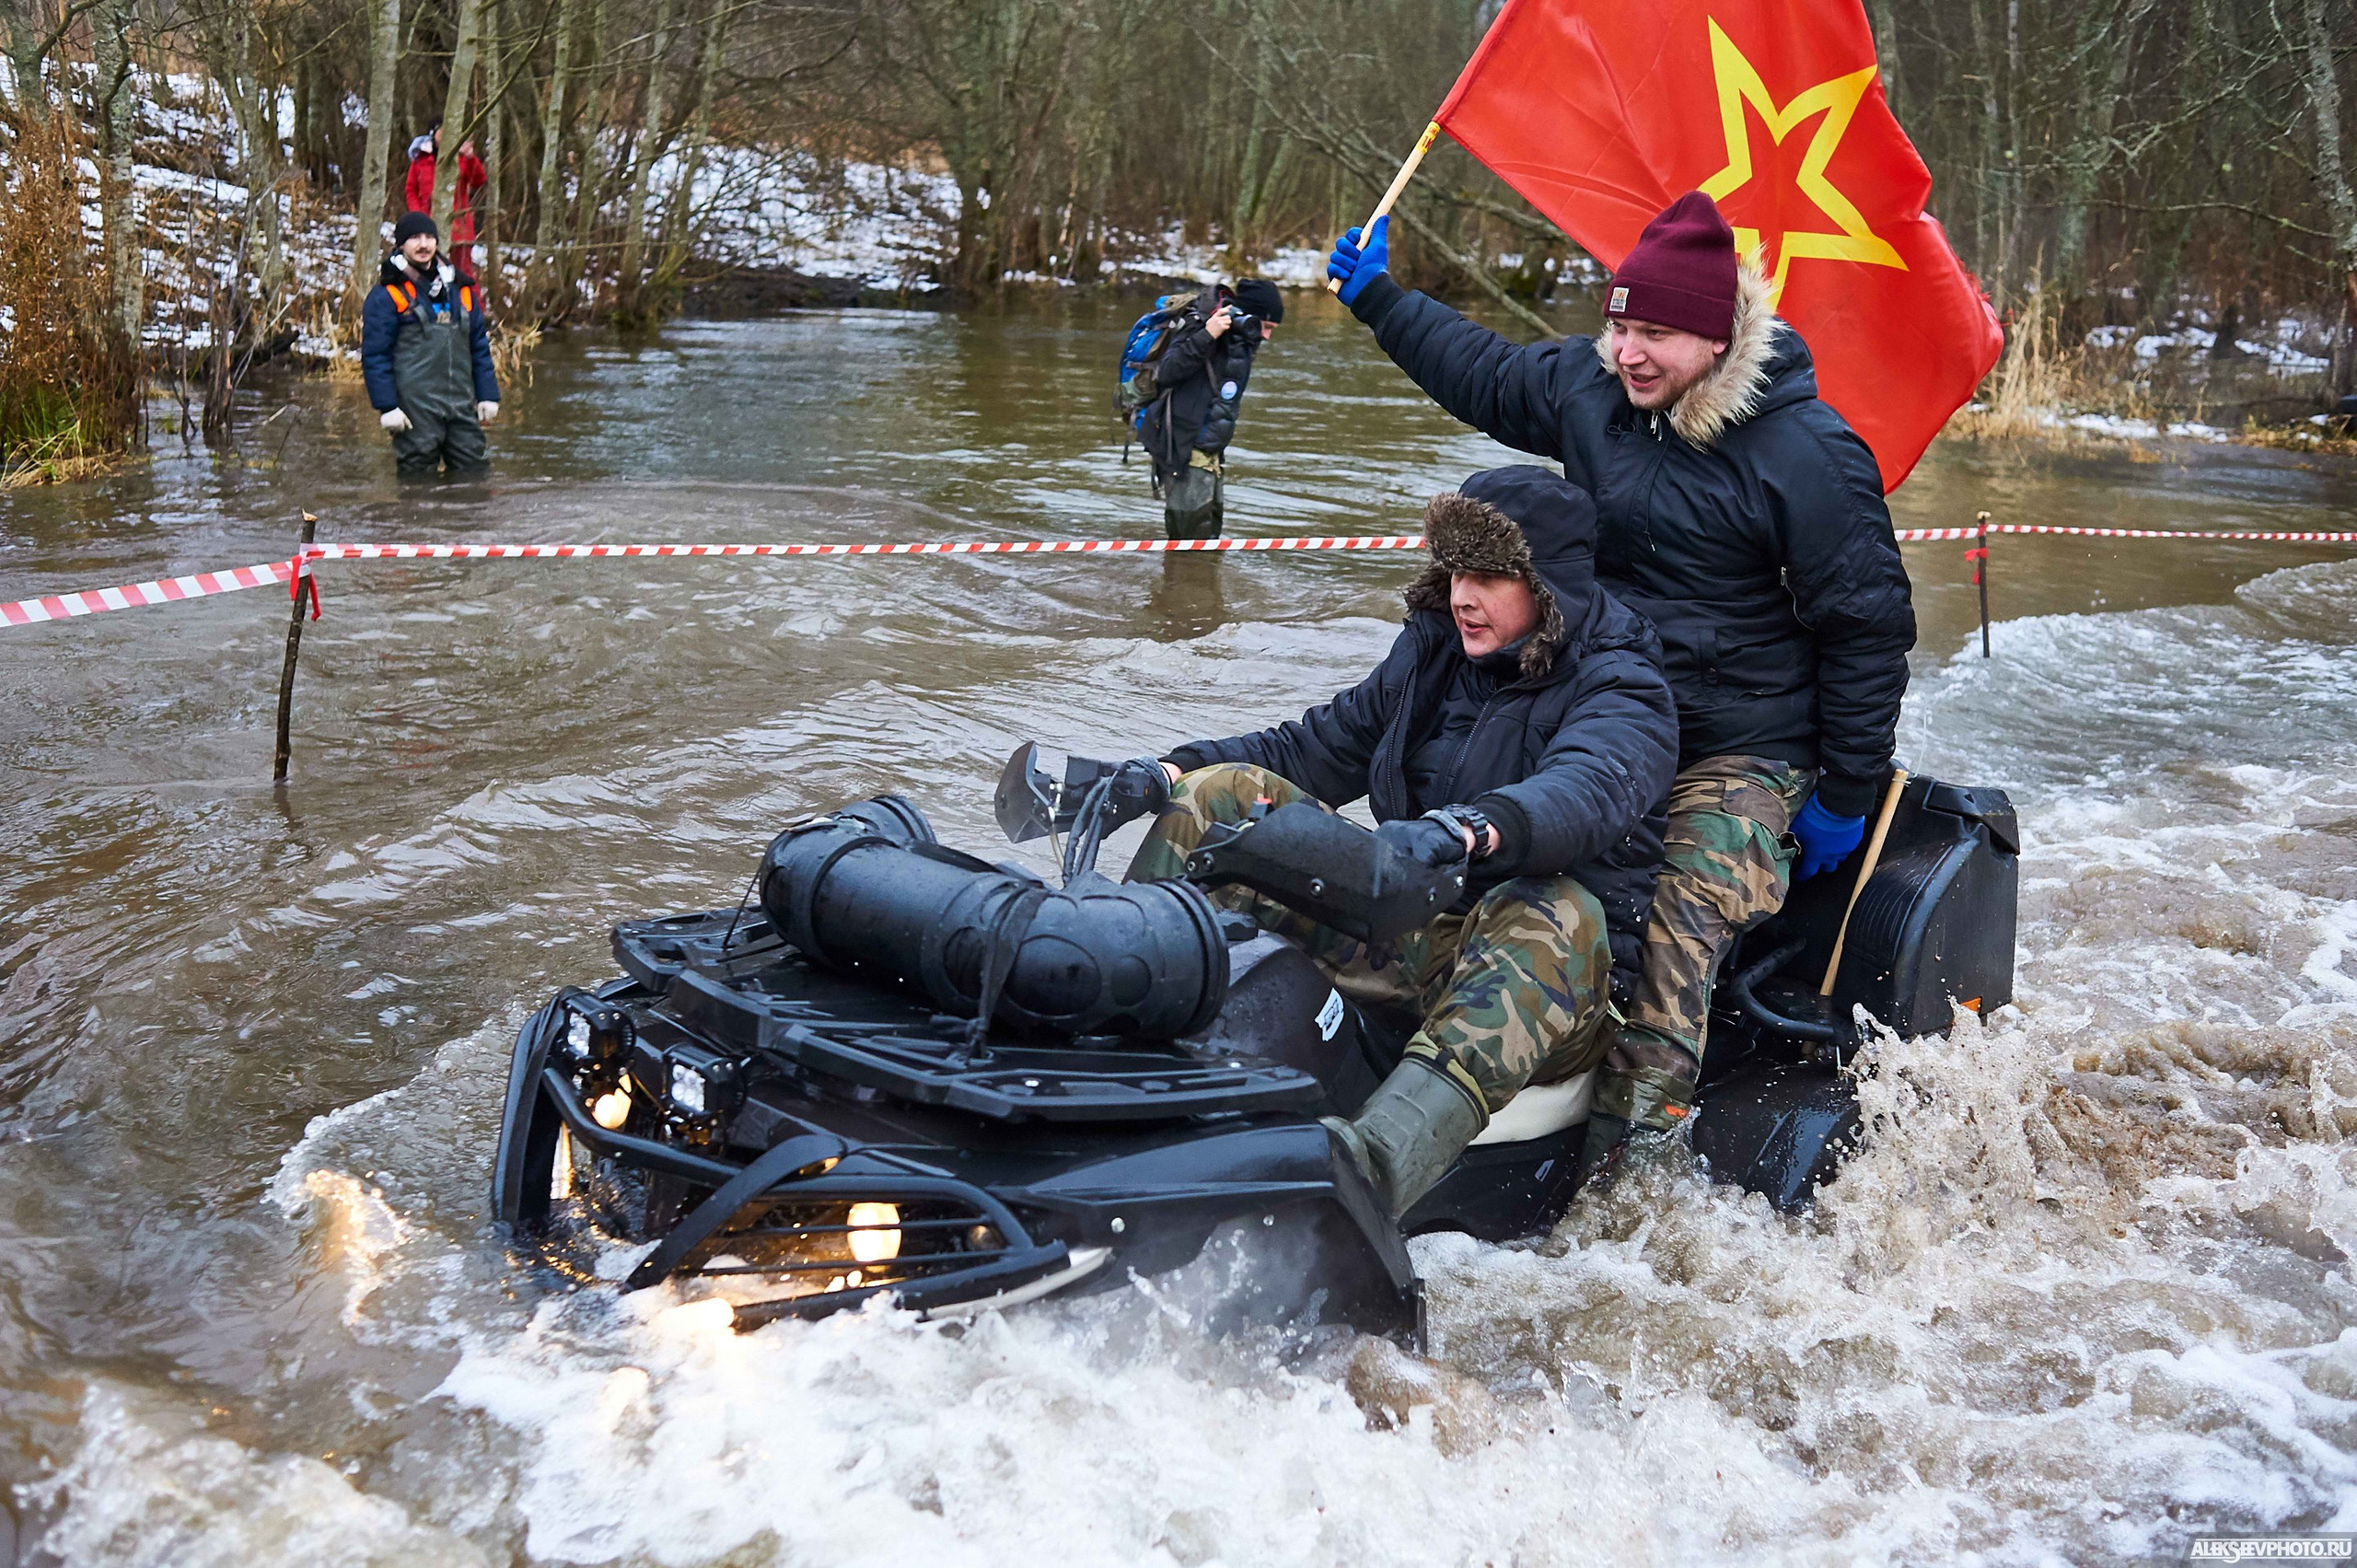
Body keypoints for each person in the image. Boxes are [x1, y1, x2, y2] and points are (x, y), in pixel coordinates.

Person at [1326, 192, 1917, 1178]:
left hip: (1738, 740)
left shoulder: (1807, 455)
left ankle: (1632, 1162)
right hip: (1597, 705)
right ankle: (1441, 1049)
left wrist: (1847, 791)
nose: (1630, 352)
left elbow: (1867, 630)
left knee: (1675, 900)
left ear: (1721, 338)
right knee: (1473, 822)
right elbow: (1481, 371)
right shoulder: (1591, 389)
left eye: (1657, 334)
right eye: (1619, 325)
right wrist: (1383, 298)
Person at [1125, 466, 1678, 1215]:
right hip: (1413, 925)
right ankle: (1113, 1029)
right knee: (1220, 795)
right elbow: (1311, 746)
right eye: (1453, 571)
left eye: (1487, 575)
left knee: (1555, 909)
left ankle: (1362, 1183)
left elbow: (1581, 793)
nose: (1460, 595)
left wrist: (1469, 828)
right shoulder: (1434, 651)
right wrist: (1159, 771)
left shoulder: (1625, 687)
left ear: (1549, 587)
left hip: (1550, 985)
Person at [1136, 277, 1284, 539]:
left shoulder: (1244, 337)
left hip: (1211, 454)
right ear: (1248, 315)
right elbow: (1167, 373)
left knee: (1206, 543)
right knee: (1189, 547)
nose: (1267, 335)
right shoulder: (1202, 325)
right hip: (1184, 450)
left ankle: (1194, 580)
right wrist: (1207, 334)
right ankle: (1179, 580)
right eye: (1266, 326)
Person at [361, 212, 501, 479]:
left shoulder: (461, 290)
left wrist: (488, 394)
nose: (423, 244)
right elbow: (375, 357)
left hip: (461, 403)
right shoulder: (387, 294)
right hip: (415, 408)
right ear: (401, 244)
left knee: (475, 475)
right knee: (417, 480)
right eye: (415, 238)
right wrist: (387, 406)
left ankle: (465, 521)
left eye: (429, 237)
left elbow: (479, 347)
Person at [403, 122, 489, 247]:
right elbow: (411, 190)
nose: (445, 135)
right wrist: (417, 214)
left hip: (459, 226)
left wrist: (471, 157)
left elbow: (478, 181)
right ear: (433, 134)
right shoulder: (420, 159)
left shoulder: (462, 157)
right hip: (426, 223)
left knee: (460, 264)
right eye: (441, 131)